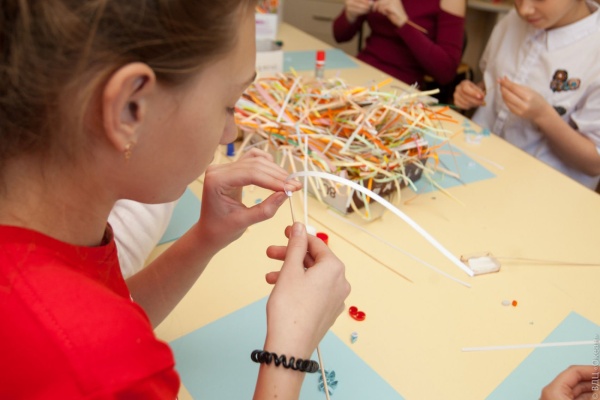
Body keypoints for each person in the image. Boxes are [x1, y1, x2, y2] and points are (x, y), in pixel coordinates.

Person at [0, 1, 351, 399]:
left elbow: (109, 313)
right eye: (229, 105)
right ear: (130, 107)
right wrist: (289, 351)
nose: (230, 133)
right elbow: (95, 351)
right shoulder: (93, 366)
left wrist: (206, 237)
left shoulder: (48, 233)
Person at [453, 0, 600, 190]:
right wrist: (474, 93)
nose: (524, 10)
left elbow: (594, 163)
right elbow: (490, 81)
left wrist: (543, 116)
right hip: (475, 163)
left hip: (539, 190)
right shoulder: (511, 21)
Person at [332, 0, 466, 89]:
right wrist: (350, 14)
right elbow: (339, 36)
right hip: (361, 72)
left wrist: (403, 23)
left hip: (401, 87)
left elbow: (446, 72)